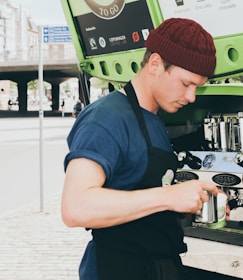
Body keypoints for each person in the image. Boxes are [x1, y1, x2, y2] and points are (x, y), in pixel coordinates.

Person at [61, 18, 218, 280]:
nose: (192, 97)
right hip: (118, 268)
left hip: (156, 266)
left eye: (197, 87)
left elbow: (138, 190)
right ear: (155, 64)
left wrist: (190, 199)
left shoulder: (153, 116)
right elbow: (75, 207)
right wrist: (167, 197)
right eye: (186, 83)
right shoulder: (106, 118)